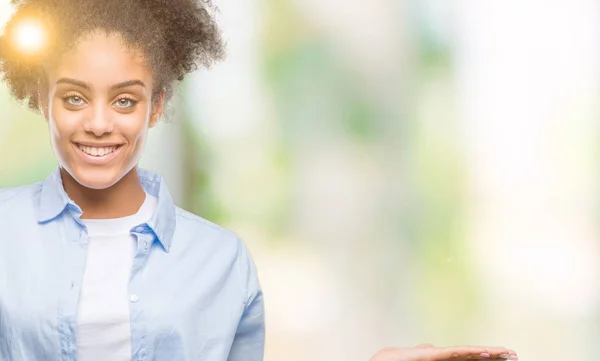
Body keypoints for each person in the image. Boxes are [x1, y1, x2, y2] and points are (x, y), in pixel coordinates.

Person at [0, 1, 519, 360]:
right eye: (73, 98)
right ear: (43, 98)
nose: (97, 122)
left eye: (125, 100)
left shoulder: (220, 260)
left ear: (157, 106)